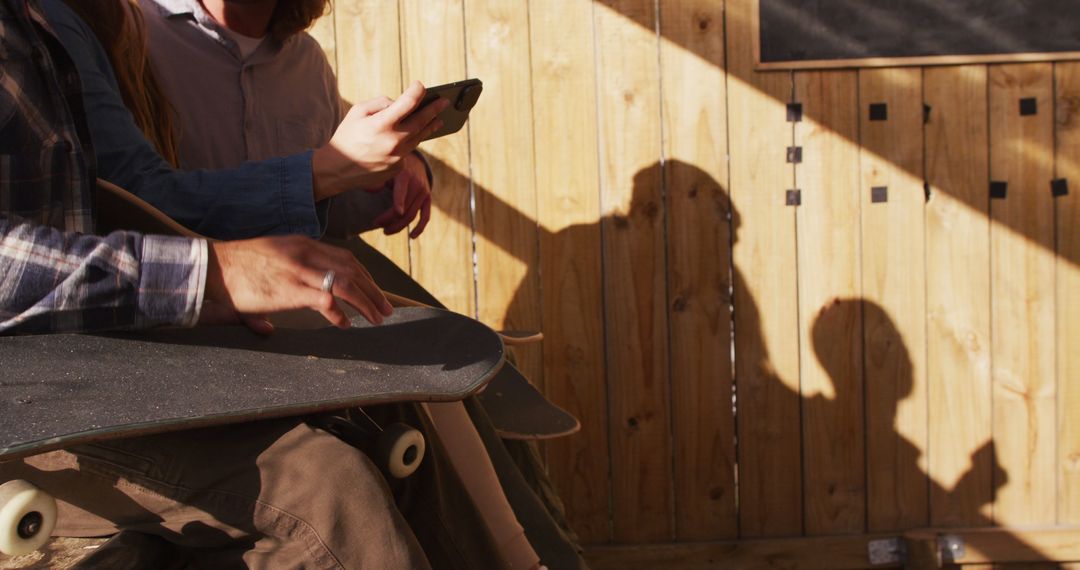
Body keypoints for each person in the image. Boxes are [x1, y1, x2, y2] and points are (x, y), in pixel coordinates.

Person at [0, 0, 449, 566]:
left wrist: (387, 173)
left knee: (403, 406)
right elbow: (162, 203)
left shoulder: (53, 21)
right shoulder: (140, 35)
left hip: (89, 363)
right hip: (35, 400)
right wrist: (213, 270)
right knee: (325, 489)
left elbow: (129, 199)